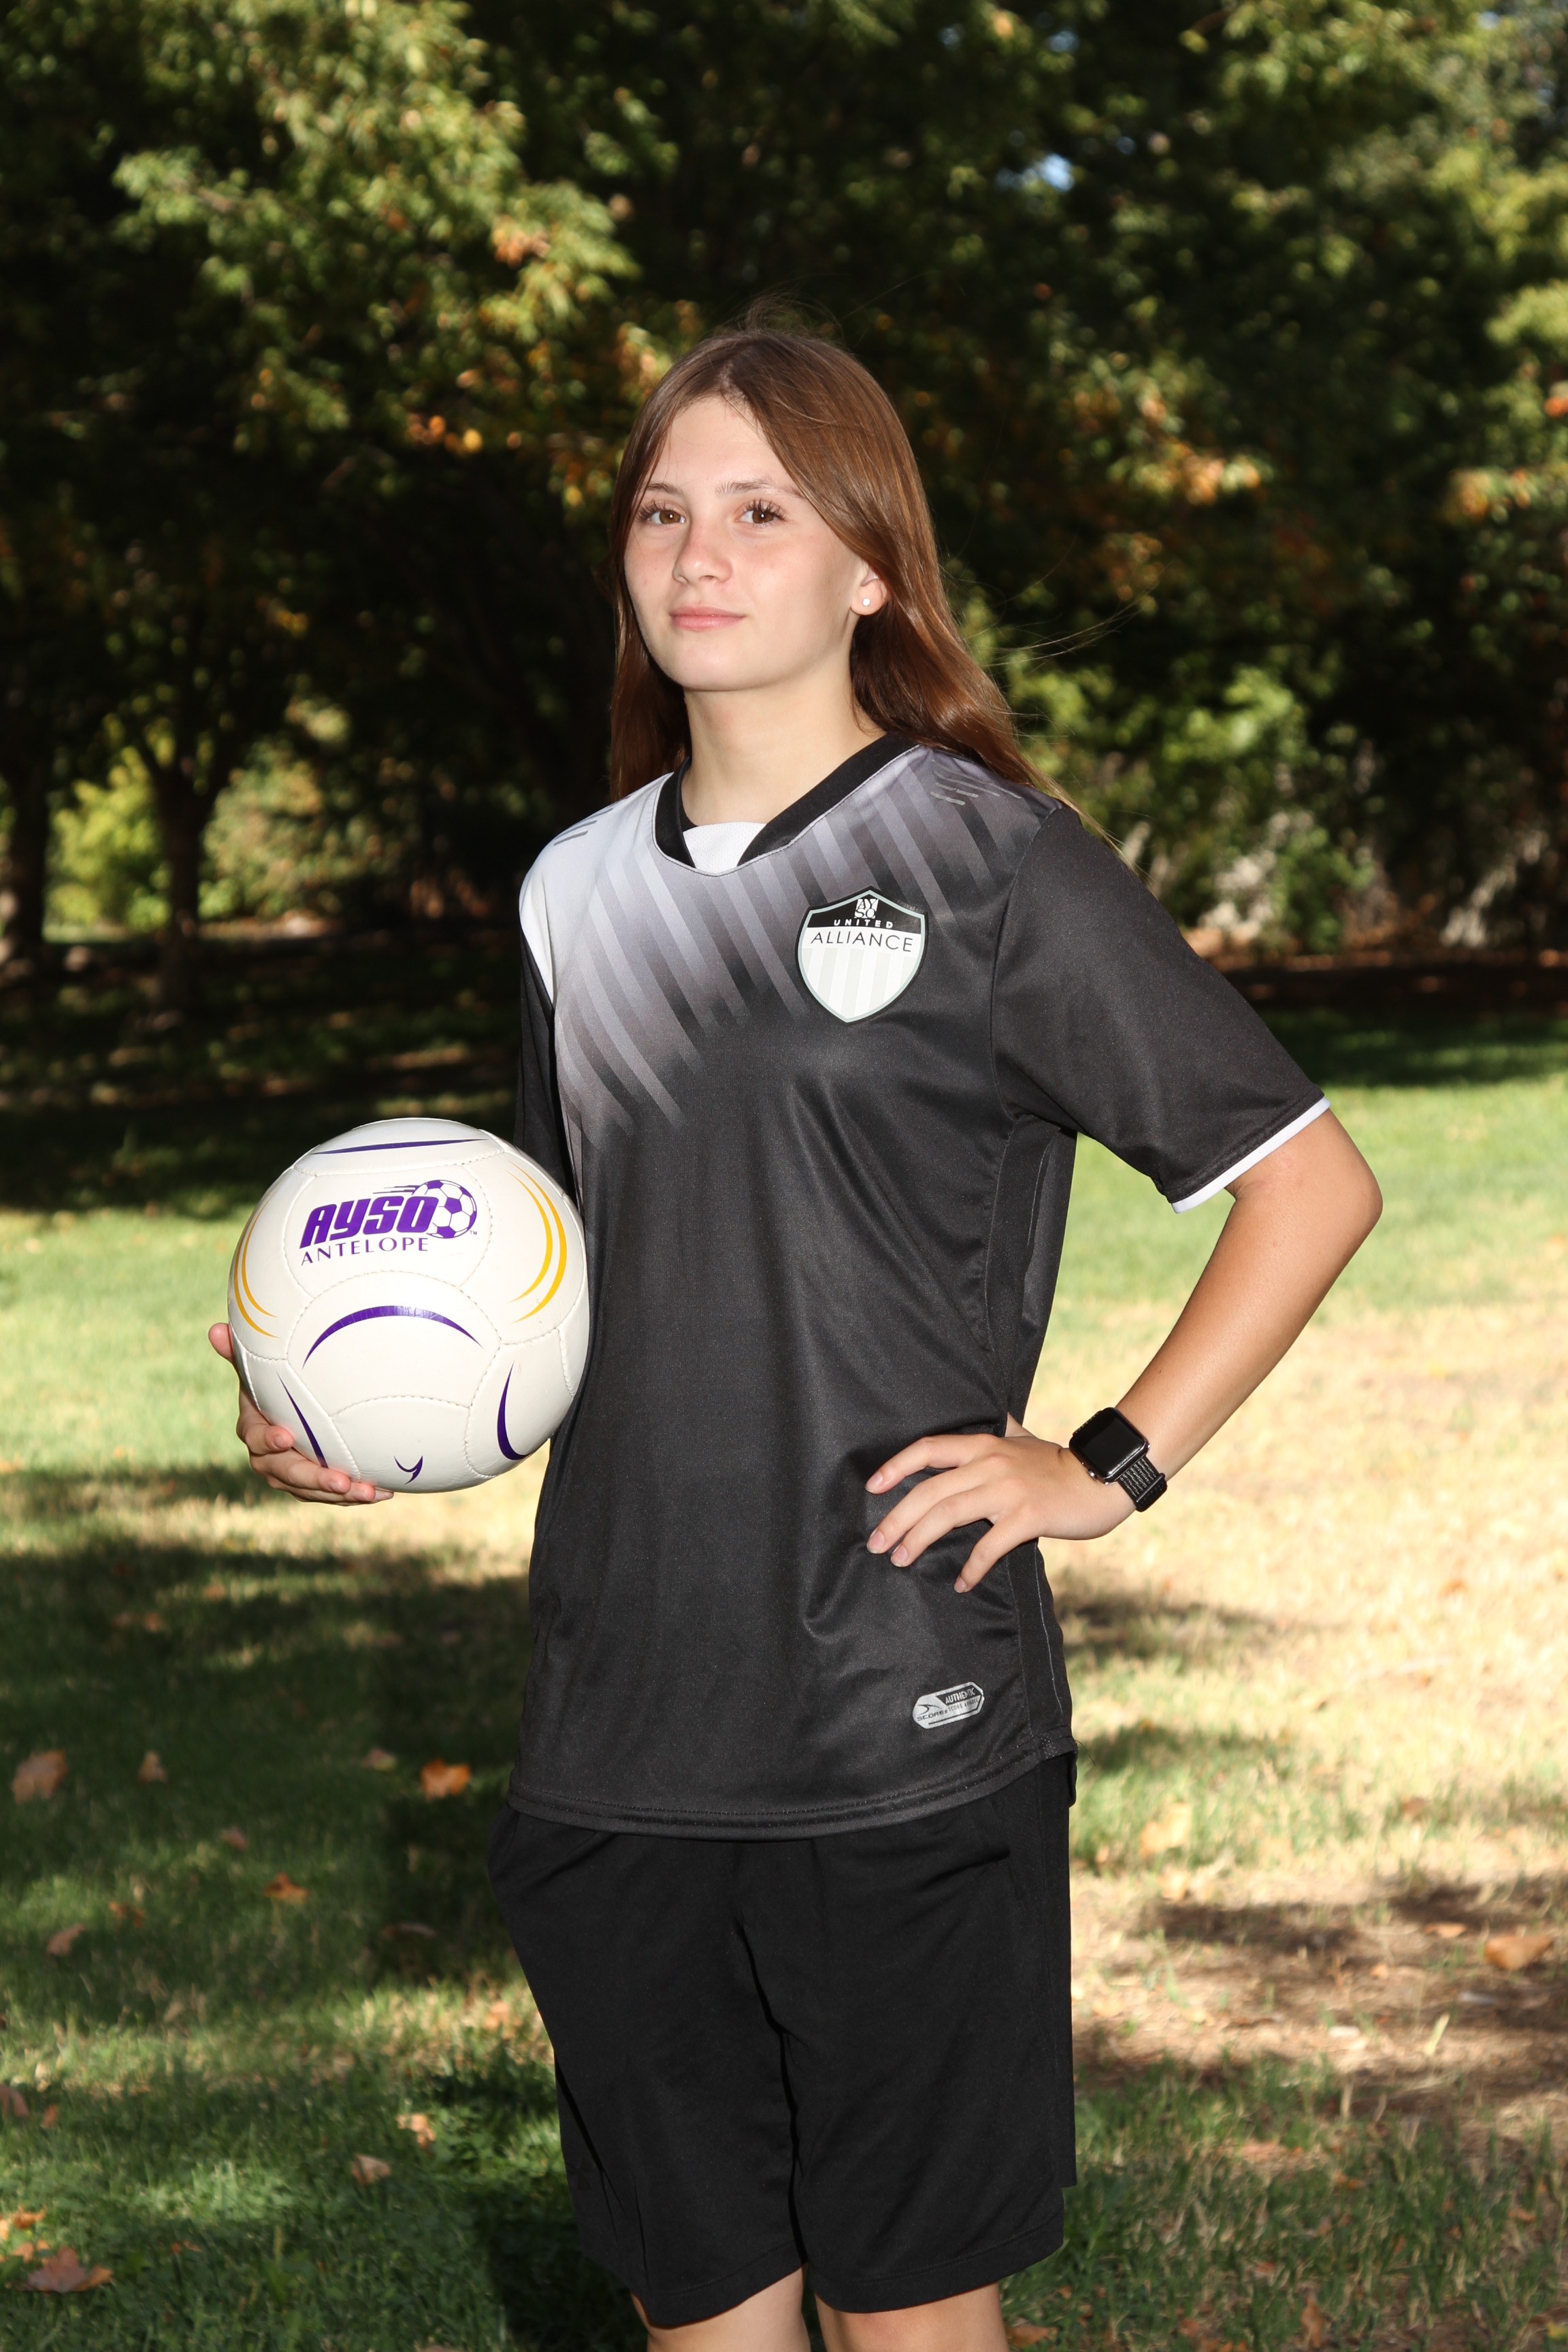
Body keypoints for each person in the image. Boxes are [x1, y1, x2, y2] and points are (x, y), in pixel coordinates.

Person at [210, 325, 1382, 2352]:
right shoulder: (575, 893)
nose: (701, 553)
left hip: (892, 1708)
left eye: (762, 510)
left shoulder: (985, 856)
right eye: (664, 510)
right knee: (703, 2310)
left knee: (908, 2311)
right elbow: (562, 1277)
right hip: (619, 1719)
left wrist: (1103, 1466)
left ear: (870, 567)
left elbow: (1311, 1185)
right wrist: (366, 1406)